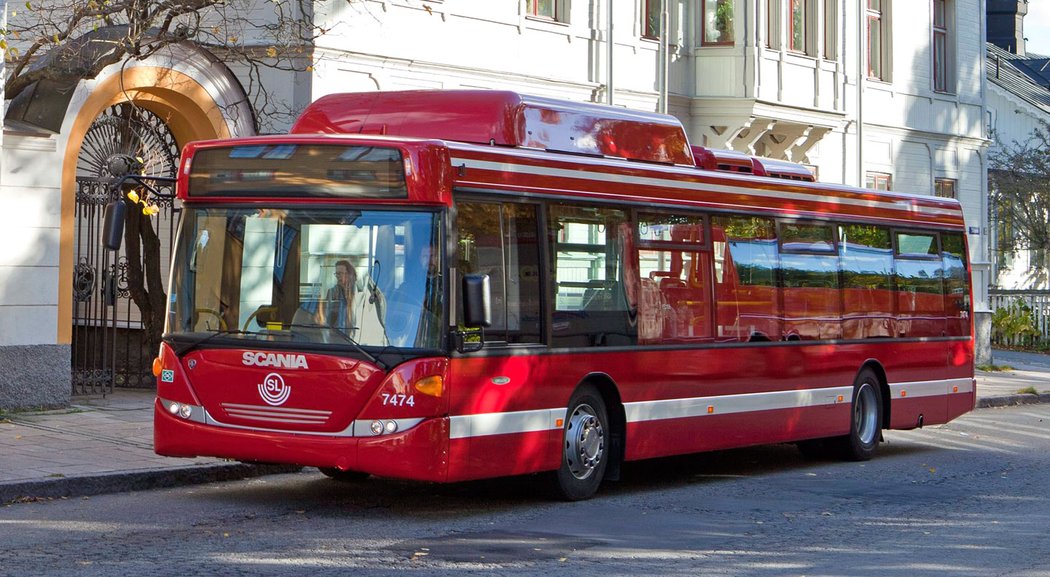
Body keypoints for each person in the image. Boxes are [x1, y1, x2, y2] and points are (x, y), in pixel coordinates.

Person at [317, 259, 387, 344]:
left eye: (340, 273)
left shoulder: (361, 292)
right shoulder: (332, 292)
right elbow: (327, 316)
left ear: (349, 275)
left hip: (358, 340)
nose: (337, 276)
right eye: (336, 274)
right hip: (337, 339)